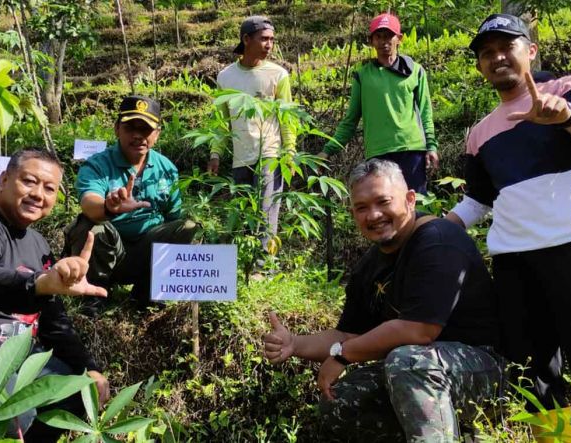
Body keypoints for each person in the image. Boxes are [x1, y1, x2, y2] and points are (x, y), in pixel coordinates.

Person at [445, 13, 571, 439]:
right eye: (486, 54)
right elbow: (478, 199)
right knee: (537, 377)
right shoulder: (480, 134)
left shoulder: (564, 90)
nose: (496, 58)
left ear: (530, 51)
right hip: (513, 261)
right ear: (479, 66)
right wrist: (429, 229)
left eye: (506, 47)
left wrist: (564, 115)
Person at [263, 159, 501, 441]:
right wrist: (294, 344)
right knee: (342, 399)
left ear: (410, 199)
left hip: (484, 368)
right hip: (423, 371)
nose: (373, 215)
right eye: (362, 208)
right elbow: (349, 333)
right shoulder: (369, 266)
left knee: (408, 361)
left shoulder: (438, 240)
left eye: (383, 202)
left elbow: (419, 330)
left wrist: (342, 354)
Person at [0, 149, 109, 441]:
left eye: (49, 188)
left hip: (18, 357)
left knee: (78, 392)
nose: (38, 194)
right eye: (29, 181)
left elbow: (53, 320)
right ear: (3, 180)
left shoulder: (37, 243)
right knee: (11, 406)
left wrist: (89, 367)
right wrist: (36, 283)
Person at [64, 95, 199, 308]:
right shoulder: (98, 165)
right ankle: (94, 296)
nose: (138, 136)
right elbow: (89, 204)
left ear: (157, 134)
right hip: (109, 250)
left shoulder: (166, 168)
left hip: (146, 247)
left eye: (145, 130)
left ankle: (148, 294)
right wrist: (109, 207)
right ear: (117, 128)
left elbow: (173, 216)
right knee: (92, 228)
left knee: (186, 227)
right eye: (130, 128)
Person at [320, 12, 439, 194]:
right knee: (386, 205)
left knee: (416, 205)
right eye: (379, 36)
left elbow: (425, 112)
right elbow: (350, 120)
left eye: (389, 36)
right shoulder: (363, 76)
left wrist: (431, 146)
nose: (384, 41)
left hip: (411, 149)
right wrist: (327, 151)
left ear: (399, 38)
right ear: (371, 41)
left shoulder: (415, 71)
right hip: (378, 152)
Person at [207, 16, 296, 251]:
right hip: (241, 155)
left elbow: (287, 117)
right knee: (244, 210)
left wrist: (290, 151)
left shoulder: (278, 75)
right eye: (264, 39)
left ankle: (264, 266)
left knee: (267, 211)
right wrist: (215, 153)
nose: (269, 44)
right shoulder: (225, 77)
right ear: (246, 39)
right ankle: (246, 261)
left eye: (272, 40)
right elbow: (221, 121)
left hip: (270, 153)